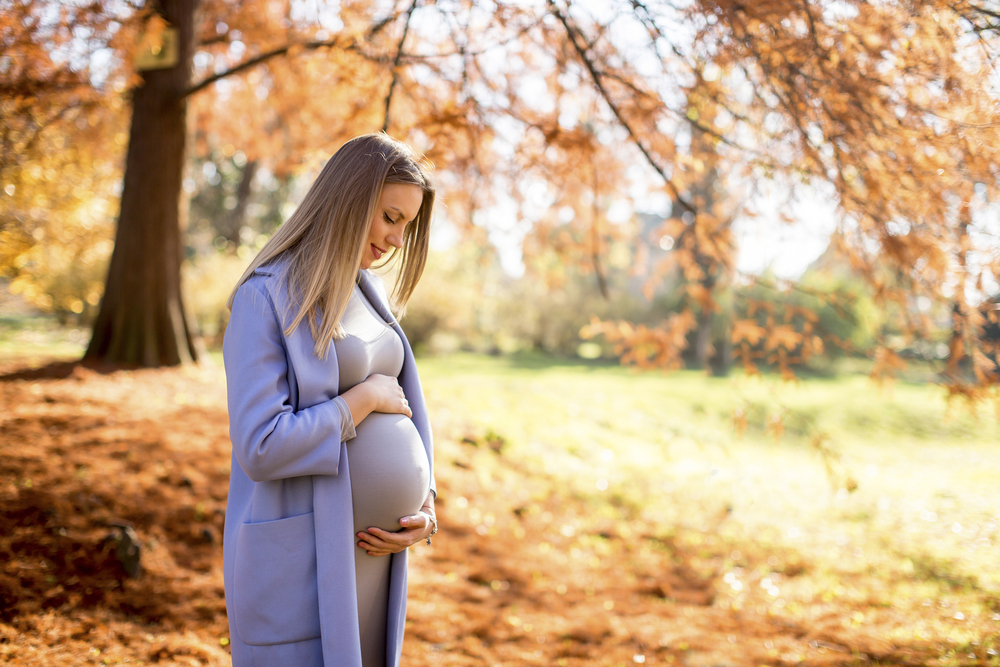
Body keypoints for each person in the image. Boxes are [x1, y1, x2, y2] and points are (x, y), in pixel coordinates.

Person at [221, 133, 438, 667]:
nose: (394, 240)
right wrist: (357, 402)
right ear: (349, 198)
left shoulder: (369, 291)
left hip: (372, 557)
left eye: (404, 226)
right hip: (305, 561)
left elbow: (407, 406)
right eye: (389, 217)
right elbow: (261, 445)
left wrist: (425, 504)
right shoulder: (264, 297)